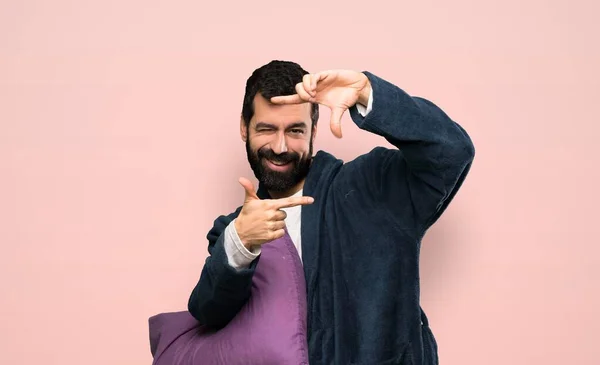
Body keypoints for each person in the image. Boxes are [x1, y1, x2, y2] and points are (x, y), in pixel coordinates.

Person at [187, 60, 475, 364]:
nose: (281, 146)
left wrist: (369, 93)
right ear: (245, 128)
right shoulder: (233, 229)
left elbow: (453, 151)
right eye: (267, 129)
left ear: (314, 130)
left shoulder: (373, 186)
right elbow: (208, 313)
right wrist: (240, 243)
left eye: (296, 130)